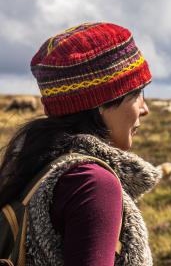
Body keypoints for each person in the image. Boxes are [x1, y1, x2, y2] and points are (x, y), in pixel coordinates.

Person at [0, 22, 160, 265]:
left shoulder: (33, 166)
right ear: (101, 100)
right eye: (136, 93)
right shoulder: (92, 183)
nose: (144, 109)